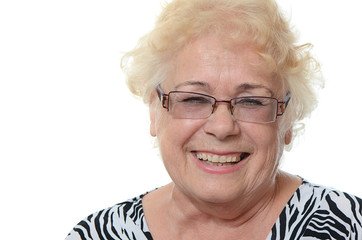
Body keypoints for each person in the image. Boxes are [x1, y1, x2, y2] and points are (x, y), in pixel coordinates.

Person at [66, 0, 362, 239]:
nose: (222, 128)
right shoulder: (97, 234)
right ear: (155, 111)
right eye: (194, 99)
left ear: (287, 117)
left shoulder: (350, 227)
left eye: (251, 102)